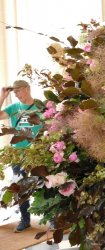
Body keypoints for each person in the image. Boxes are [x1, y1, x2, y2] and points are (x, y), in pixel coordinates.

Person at [0, 80, 43, 233]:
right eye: (15, 92)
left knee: (44, 183)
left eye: (19, 91)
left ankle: (51, 219)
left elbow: (51, 125)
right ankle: (25, 220)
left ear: (27, 89)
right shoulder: (14, 108)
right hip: (17, 154)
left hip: (37, 154)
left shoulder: (40, 106)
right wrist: (2, 96)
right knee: (20, 188)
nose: (17, 95)